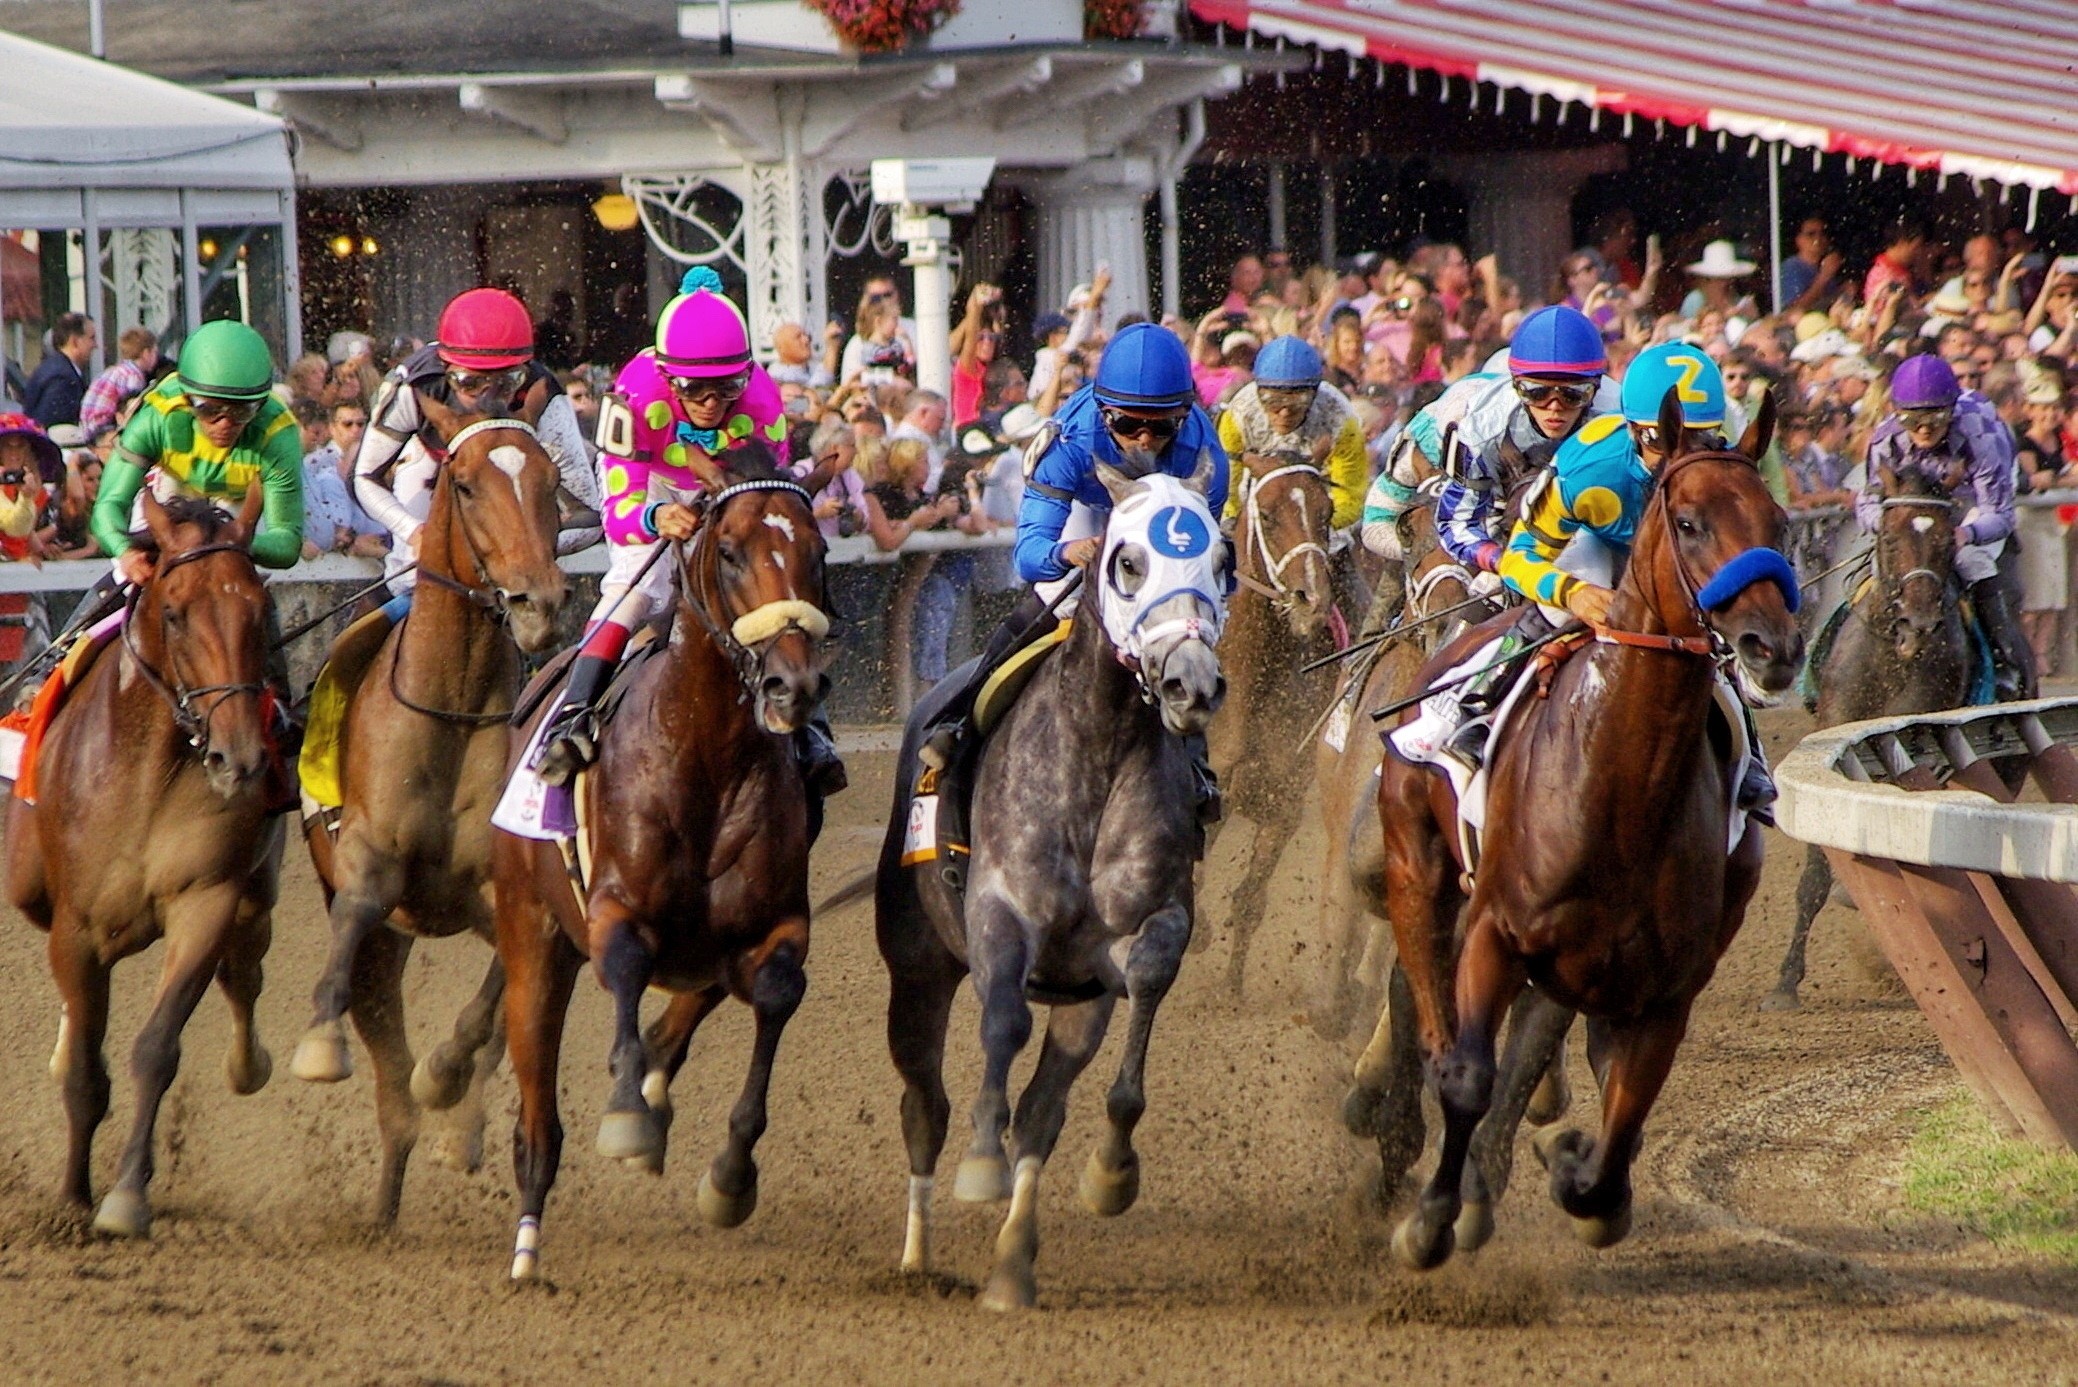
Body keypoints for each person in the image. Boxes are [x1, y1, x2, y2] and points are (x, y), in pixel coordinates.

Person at [521, 265, 840, 793]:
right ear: (669, 378)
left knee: (774, 583)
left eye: (726, 388)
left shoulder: (762, 400)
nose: (713, 403)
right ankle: (572, 715)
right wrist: (655, 517)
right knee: (638, 585)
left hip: (729, 489)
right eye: (696, 390)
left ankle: (812, 729)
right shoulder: (634, 396)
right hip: (648, 484)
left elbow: (768, 497)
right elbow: (619, 516)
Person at [1443, 342, 1777, 818]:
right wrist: (1574, 595)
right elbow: (1519, 557)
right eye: (1665, 441)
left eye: (1702, 442)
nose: (1682, 459)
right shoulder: (1588, 468)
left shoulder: (1722, 470)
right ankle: (1480, 705)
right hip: (1598, 547)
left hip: (1674, 554)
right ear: (1636, 432)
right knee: (1575, 586)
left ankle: (1750, 756)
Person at [912, 322, 1227, 801]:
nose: (1143, 440)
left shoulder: (1205, 455)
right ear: (1103, 413)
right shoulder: (1070, 439)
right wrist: (1068, 552)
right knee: (1049, 603)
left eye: (1160, 426)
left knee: (1184, 629)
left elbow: (1203, 563)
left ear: (1184, 415)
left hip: (1160, 525)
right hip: (1087, 509)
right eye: (1127, 424)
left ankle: (1195, 763)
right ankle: (959, 721)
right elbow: (1030, 555)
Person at [354, 286, 600, 600]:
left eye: (504, 383)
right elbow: (363, 477)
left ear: (524, 372)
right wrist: (412, 530)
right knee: (410, 573)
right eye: (469, 382)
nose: (486, 399)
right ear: (445, 371)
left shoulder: (545, 392)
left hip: (510, 479)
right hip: (433, 460)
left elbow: (590, 517)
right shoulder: (414, 386)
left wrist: (526, 544)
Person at [1857, 354, 2029, 700]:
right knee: (1884, 565)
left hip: (1974, 506)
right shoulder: (1885, 440)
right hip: (1916, 511)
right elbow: (1866, 502)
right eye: (1912, 419)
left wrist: (1966, 533)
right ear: (1896, 413)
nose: (1923, 428)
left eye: (1935, 417)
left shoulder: (1981, 433)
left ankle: (2004, 661)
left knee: (1970, 562)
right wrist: (1891, 528)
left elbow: (1999, 513)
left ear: (1951, 409)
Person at [1215, 336, 1369, 616]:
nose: (1284, 411)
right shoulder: (1238, 415)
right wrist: (1230, 522)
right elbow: (1229, 484)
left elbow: (1351, 493)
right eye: (1271, 401)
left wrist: (1310, 529)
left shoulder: (1340, 417)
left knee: (1355, 588)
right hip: (1258, 507)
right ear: (1258, 391)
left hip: (1320, 514)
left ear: (1314, 394)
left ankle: (1364, 637)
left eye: (1297, 401)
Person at [79, 328, 158, 438]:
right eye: (154, 352)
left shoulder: (116, 371)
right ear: (146, 353)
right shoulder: (133, 375)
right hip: (103, 432)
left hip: (88, 430)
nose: (156, 357)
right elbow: (131, 410)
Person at [23, 314, 96, 430]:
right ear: (75, 341)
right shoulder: (62, 379)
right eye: (92, 338)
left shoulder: (53, 368)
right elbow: (54, 429)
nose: (95, 345)